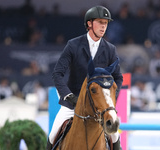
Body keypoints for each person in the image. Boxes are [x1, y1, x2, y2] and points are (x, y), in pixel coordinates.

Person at [47, 6, 123, 150]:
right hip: (74, 104)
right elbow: (57, 73)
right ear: (89, 24)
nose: (103, 26)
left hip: (100, 105)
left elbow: (118, 78)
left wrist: (109, 100)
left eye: (105, 23)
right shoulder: (73, 45)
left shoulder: (110, 49)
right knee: (53, 134)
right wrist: (68, 96)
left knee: (114, 135)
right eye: (100, 22)